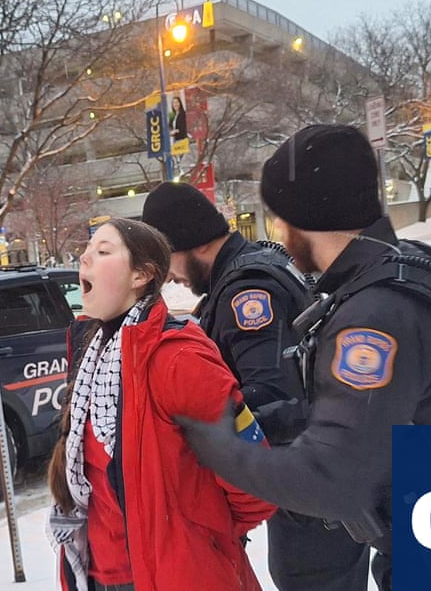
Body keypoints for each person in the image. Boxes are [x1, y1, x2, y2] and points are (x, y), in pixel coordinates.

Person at [177, 124, 431, 590]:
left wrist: (214, 445)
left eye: (278, 218)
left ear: (300, 216)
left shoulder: (376, 313)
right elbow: (382, 413)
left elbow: (329, 479)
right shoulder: (412, 265)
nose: (278, 233)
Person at [142, 182, 370, 591]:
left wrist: (195, 439)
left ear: (188, 241)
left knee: (309, 580)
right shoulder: (254, 265)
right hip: (320, 482)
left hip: (311, 491)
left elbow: (276, 404)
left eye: (168, 260)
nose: (171, 276)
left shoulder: (246, 292)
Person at [46, 218, 274, 591]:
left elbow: (254, 483)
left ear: (142, 275)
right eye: (87, 250)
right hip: (100, 575)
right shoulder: (91, 357)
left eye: (103, 251)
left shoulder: (179, 358)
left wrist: (199, 537)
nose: (85, 258)